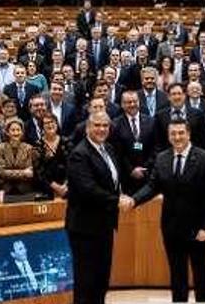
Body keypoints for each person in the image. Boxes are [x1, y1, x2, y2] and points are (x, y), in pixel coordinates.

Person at [130, 118, 205, 302]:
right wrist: (133, 200)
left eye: (181, 133)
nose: (177, 137)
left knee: (203, 279)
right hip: (172, 229)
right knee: (177, 278)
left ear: (188, 134)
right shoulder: (162, 158)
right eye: (173, 133)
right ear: (168, 136)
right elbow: (152, 186)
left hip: (199, 230)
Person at [65, 111, 129, 304]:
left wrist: (121, 194)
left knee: (101, 278)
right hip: (85, 228)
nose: (102, 129)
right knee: (86, 281)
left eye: (105, 126)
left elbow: (114, 180)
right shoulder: (79, 154)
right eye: (97, 125)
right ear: (87, 128)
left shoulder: (108, 148)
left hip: (104, 225)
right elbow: (88, 189)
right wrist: (116, 200)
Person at [0, 118, 37, 195]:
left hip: (25, 189)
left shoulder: (28, 148)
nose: (16, 133)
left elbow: (30, 173)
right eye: (13, 130)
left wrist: (10, 172)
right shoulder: (0, 148)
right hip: (5, 189)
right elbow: (1, 172)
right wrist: (23, 172)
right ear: (7, 132)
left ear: (22, 132)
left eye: (18, 130)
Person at [34, 113, 71, 199]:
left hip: (67, 187)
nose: (50, 125)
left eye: (52, 122)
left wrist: (65, 185)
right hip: (47, 190)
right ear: (42, 127)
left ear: (57, 124)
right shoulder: (38, 146)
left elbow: (72, 165)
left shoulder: (66, 142)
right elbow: (39, 171)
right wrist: (56, 187)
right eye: (46, 123)